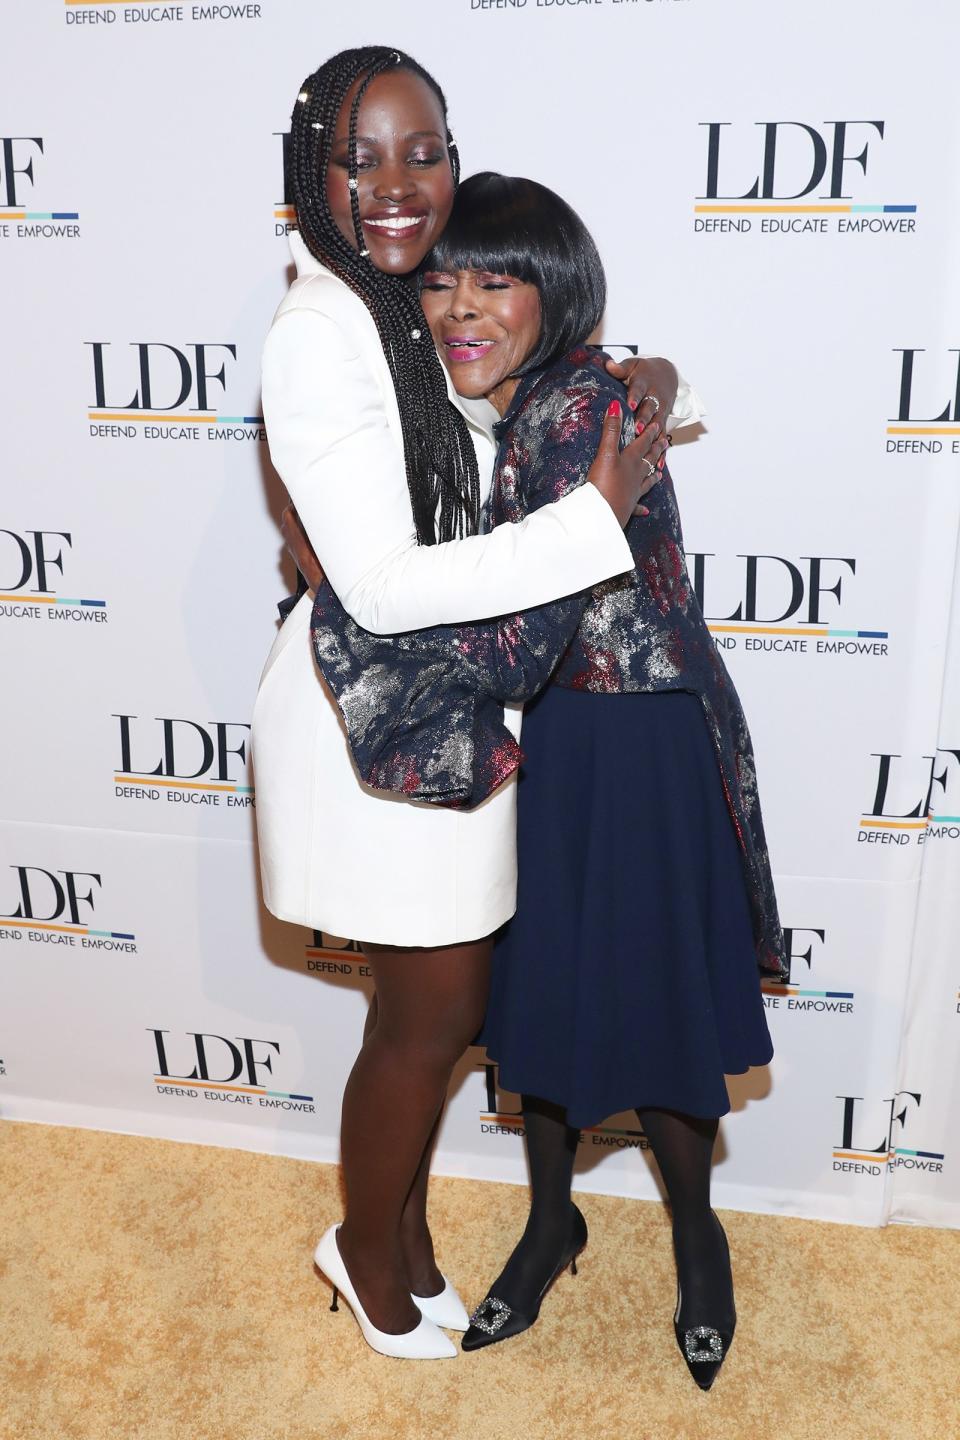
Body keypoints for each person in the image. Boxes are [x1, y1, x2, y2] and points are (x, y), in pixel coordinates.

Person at [253, 46, 698, 1361]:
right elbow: (386, 585)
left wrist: (654, 380)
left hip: (438, 719)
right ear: (312, 174)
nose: (398, 185)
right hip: (371, 720)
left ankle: (396, 1239)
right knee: (428, 1017)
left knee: (436, 1011)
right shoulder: (321, 330)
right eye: (362, 156)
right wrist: (593, 518)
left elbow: (531, 382)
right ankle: (370, 1261)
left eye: (423, 150)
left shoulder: (393, 309)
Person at [308, 172, 786, 1389]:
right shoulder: (496, 403)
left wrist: (350, 609)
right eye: (443, 283)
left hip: (635, 740)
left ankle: (696, 1238)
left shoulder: (576, 406)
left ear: (553, 294)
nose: (461, 307)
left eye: (497, 280)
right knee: (550, 997)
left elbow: (531, 618)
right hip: (555, 741)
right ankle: (550, 1223)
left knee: (660, 1001)